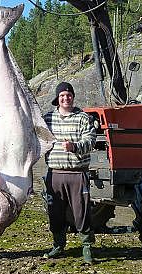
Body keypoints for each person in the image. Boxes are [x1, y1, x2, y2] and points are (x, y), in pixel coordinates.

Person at [43, 81, 96, 264]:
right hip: (54, 174)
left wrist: (74, 146)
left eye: (69, 95)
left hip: (77, 173)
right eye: (62, 96)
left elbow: (90, 141)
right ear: (57, 99)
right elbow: (35, 138)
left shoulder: (83, 118)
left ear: (73, 97)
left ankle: (87, 247)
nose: (66, 98)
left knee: (82, 212)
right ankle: (58, 245)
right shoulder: (47, 119)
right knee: (54, 212)